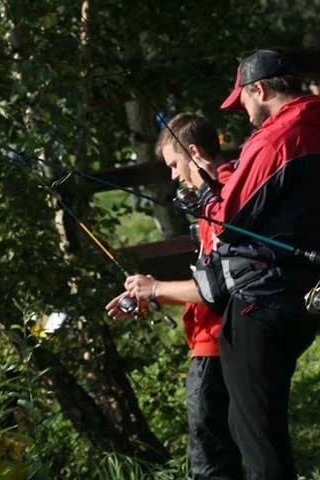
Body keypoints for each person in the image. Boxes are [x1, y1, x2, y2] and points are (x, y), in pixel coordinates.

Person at [206, 49, 320, 479]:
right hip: (305, 296)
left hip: (261, 297)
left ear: (261, 89)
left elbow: (226, 221)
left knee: (255, 429)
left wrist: (206, 192)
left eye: (244, 102)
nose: (246, 114)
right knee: (260, 420)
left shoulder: (278, 138)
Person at [105, 112, 243, 480]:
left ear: (193, 152)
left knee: (210, 462)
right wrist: (152, 294)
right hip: (221, 338)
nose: (173, 175)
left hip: (217, 344)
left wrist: (157, 289)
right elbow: (214, 281)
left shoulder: (223, 201)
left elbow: (218, 288)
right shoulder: (217, 197)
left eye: (173, 163)